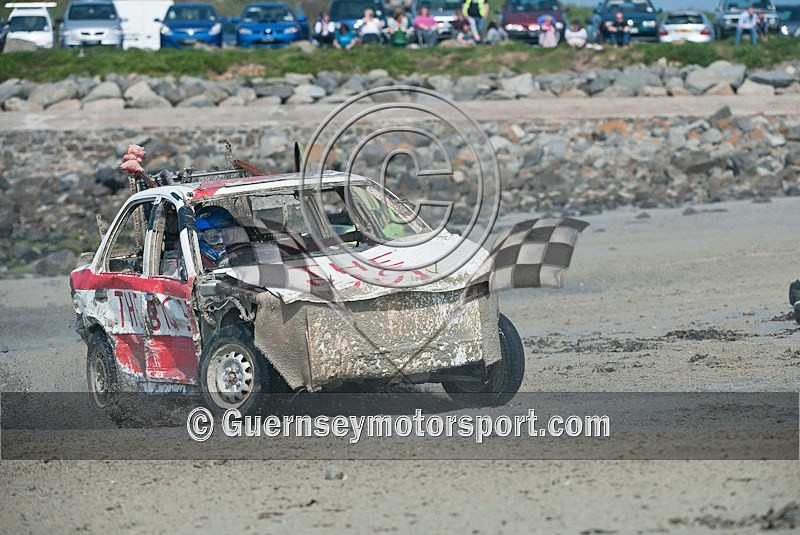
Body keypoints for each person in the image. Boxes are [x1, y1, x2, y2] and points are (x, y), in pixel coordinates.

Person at [195, 206, 237, 270]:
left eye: (227, 236)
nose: (222, 242)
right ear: (199, 236)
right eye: (213, 237)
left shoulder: (239, 256)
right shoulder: (190, 265)